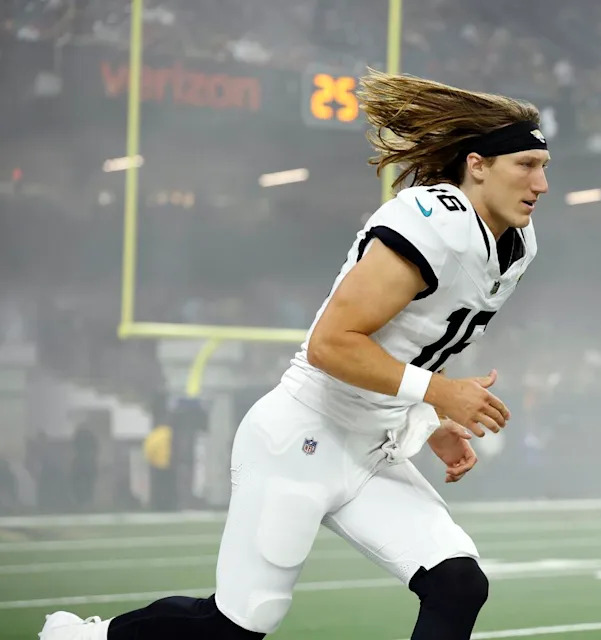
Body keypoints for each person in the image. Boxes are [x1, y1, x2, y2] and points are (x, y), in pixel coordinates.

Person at [39, 68, 550, 640]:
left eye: (544, 168)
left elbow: (421, 336)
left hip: (373, 447)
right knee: (237, 627)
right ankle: (92, 638)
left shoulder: (516, 243)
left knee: (459, 585)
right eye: (526, 166)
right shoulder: (432, 223)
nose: (541, 184)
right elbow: (331, 344)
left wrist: (426, 418)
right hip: (302, 439)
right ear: (477, 164)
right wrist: (437, 394)